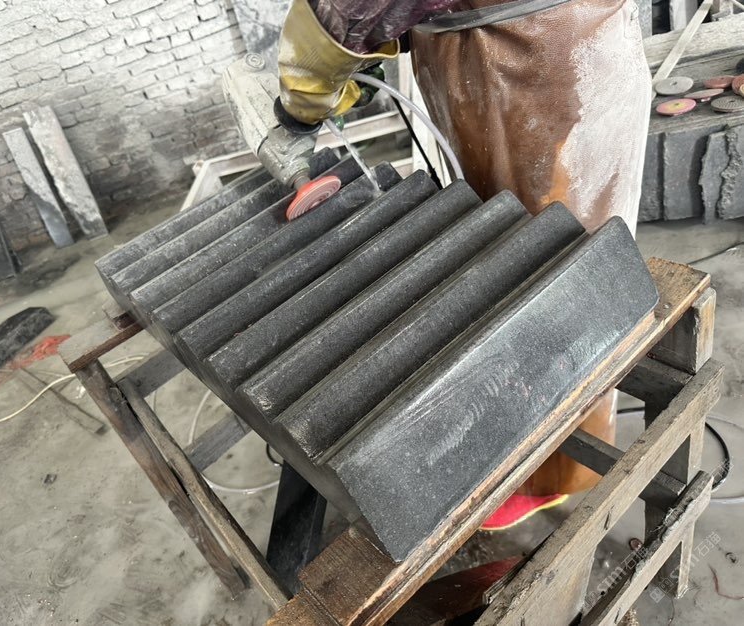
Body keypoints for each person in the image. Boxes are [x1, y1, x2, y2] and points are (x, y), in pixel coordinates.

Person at [276, 0, 651, 528]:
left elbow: (342, 11)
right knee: (536, 268)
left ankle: (551, 474)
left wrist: (300, 103)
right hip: (536, 62)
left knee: (557, 285)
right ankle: (542, 455)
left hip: (540, 80)